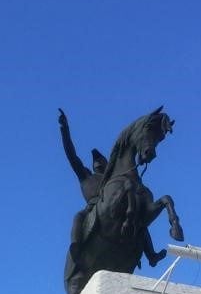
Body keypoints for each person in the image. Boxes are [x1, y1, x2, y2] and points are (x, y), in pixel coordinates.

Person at [58, 108, 166, 268]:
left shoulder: (116, 178)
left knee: (140, 219)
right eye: (95, 163)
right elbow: (72, 156)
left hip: (119, 205)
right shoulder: (87, 176)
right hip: (94, 207)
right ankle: (76, 245)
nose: (98, 163)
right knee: (78, 217)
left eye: (100, 160)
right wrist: (64, 130)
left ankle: (151, 254)